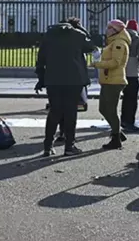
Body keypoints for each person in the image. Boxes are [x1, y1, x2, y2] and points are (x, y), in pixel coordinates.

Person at [35, 17, 95, 157]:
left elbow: (40, 60)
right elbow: (91, 46)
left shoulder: (49, 36)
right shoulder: (77, 35)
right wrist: (81, 29)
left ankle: (48, 146)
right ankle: (69, 146)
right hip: (73, 80)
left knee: (54, 112)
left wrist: (41, 79)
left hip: (53, 79)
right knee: (70, 113)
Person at [92, 19, 131, 150]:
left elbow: (116, 62)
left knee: (111, 110)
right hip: (108, 80)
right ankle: (118, 132)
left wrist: (97, 64)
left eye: (109, 28)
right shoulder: (113, 42)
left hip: (115, 81)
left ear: (115, 30)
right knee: (103, 109)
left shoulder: (119, 43)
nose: (106, 30)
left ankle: (116, 138)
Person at [121, 19, 139, 131]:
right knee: (132, 98)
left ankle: (123, 120)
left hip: (121, 70)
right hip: (132, 71)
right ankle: (129, 121)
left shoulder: (121, 37)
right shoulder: (137, 39)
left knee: (125, 97)